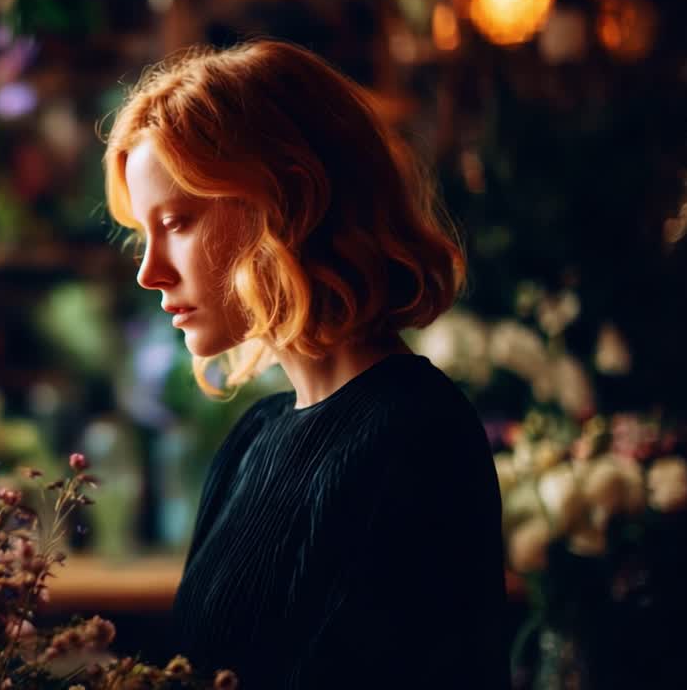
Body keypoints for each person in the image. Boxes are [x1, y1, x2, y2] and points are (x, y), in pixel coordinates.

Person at [103, 40, 508, 689]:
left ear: (285, 204)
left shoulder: (413, 436)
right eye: (142, 233)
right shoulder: (255, 438)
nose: (149, 272)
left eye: (176, 221)